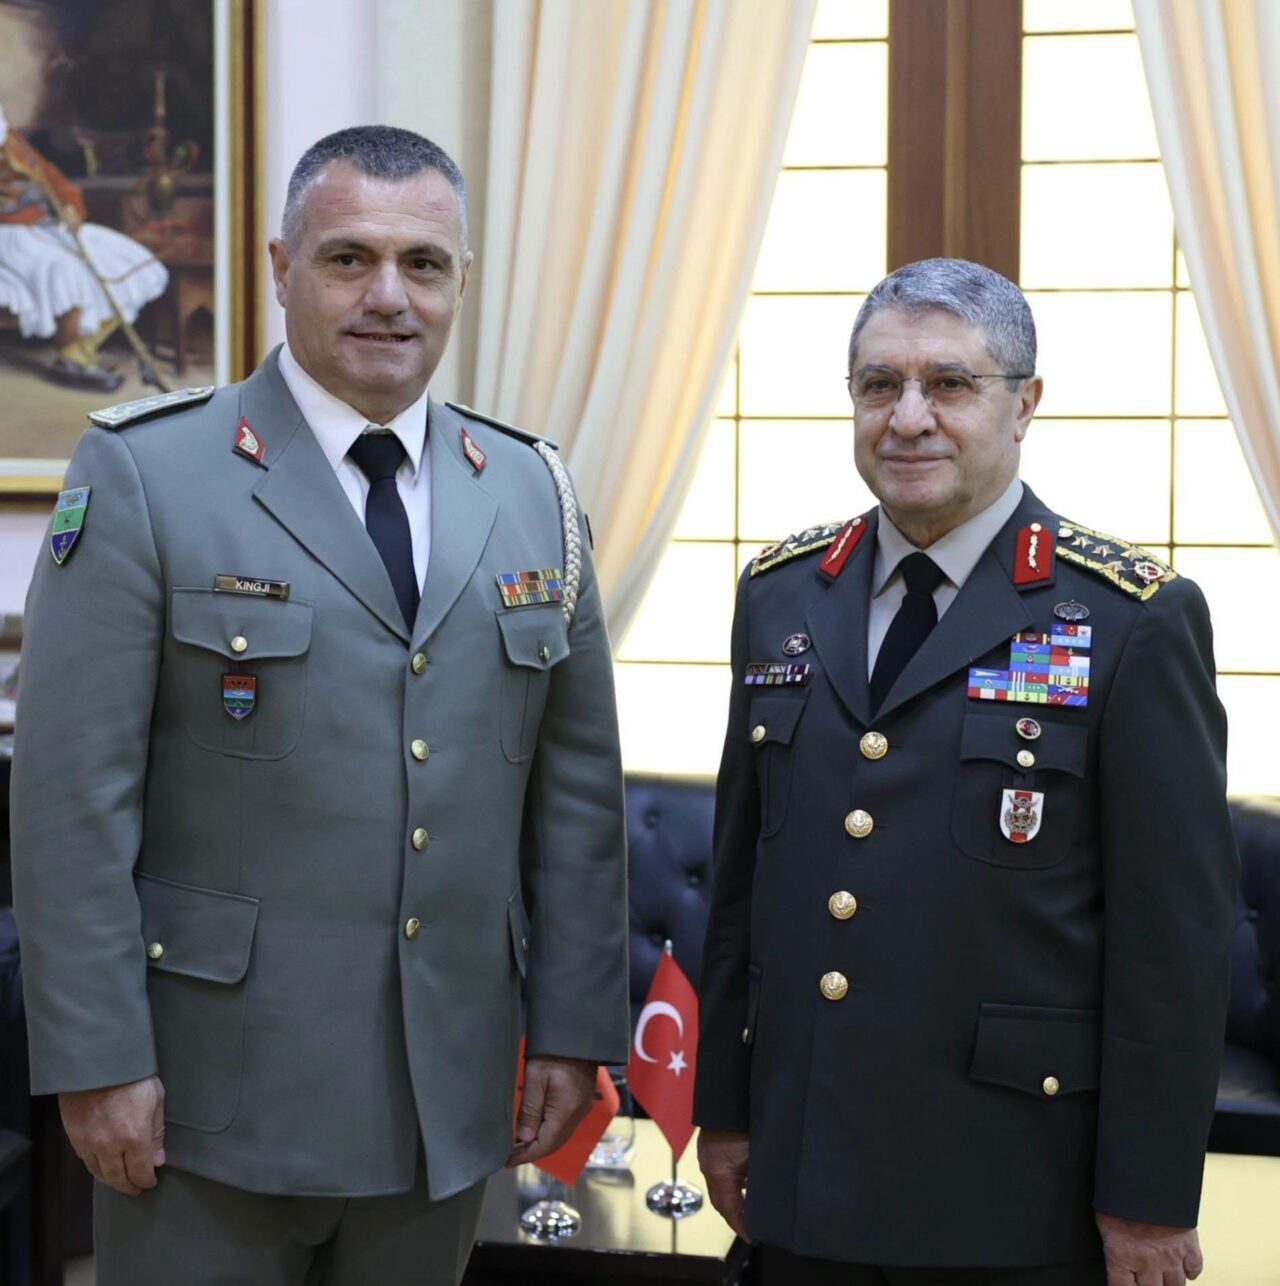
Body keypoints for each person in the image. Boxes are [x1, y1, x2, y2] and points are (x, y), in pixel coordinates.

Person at [11, 124, 629, 1285]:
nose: (388, 295)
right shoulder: (150, 470)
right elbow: (69, 799)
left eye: (422, 263)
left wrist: (571, 1025)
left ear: (459, 280)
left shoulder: (530, 489)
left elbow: (578, 797)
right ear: (280, 266)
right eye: (349, 258)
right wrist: (96, 1059)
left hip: (444, 1097)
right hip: (209, 1096)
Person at [694, 258, 1237, 1285]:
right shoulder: (779, 595)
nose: (908, 418)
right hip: (804, 1167)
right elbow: (738, 890)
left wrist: (1149, 1195)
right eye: (877, 385)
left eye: (949, 383)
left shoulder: (1126, 619)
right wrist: (722, 1108)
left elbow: (1173, 945)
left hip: (1012, 1184)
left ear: (1024, 404)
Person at [0, 102, 168, 391]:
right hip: (9, 237)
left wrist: (69, 206)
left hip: (43, 227)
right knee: (67, 271)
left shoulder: (13, 142)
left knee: (123, 257)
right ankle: (72, 358)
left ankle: (79, 353)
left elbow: (55, 181)